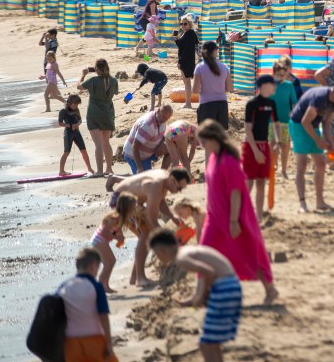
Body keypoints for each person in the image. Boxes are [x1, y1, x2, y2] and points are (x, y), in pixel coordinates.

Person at [196, 120, 278, 307]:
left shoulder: (229, 161)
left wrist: (234, 221)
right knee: (206, 252)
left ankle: (270, 289)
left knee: (248, 252)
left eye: (203, 142)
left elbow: (236, 193)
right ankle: (201, 295)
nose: (202, 146)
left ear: (213, 139)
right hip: (214, 217)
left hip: (232, 217)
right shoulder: (213, 158)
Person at [148, 230, 244, 361]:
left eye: (157, 253)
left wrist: (202, 297)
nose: (158, 257)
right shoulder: (187, 251)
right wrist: (195, 298)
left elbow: (208, 272)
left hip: (224, 288)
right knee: (211, 341)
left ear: (162, 249)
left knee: (206, 342)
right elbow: (203, 275)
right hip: (231, 284)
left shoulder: (181, 258)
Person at [108, 167, 191, 287]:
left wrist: (171, 216)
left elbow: (160, 201)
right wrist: (168, 240)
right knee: (146, 234)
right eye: (179, 188)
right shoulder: (156, 186)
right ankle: (140, 279)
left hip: (133, 202)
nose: (179, 191)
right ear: (172, 179)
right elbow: (152, 219)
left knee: (145, 235)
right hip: (121, 201)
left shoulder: (165, 179)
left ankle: (134, 277)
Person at [290, 83, 334, 212]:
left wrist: (329, 143)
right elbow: (305, 121)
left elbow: (327, 122)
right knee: (302, 165)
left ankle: (320, 202)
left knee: (321, 164)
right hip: (298, 125)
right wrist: (318, 140)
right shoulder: (319, 97)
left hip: (312, 126)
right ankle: (303, 204)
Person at [57, 248, 117, 362]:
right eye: (98, 268)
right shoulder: (96, 287)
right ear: (93, 266)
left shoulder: (64, 286)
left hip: (70, 343)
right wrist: (109, 343)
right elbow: (103, 316)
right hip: (93, 339)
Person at [243, 75, 278, 217]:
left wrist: (275, 143)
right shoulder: (252, 103)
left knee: (262, 182)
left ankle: (258, 215)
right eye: (272, 84)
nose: (275, 87)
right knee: (249, 181)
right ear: (264, 86)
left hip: (265, 144)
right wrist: (255, 150)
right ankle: (241, 213)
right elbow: (247, 129)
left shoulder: (272, 103)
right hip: (251, 145)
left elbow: (276, 124)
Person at [90, 193, 136, 294]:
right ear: (126, 208)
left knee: (111, 261)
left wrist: (120, 237)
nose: (134, 209)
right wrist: (115, 238)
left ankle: (105, 285)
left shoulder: (120, 218)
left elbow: (117, 230)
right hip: (99, 240)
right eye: (133, 207)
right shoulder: (115, 217)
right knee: (108, 264)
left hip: (102, 240)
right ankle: (100, 287)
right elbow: (104, 232)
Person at [80, 59, 119, 177]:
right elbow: (116, 92)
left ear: (96, 69)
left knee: (98, 144)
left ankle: (100, 171)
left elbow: (79, 87)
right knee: (106, 143)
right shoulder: (113, 80)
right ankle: (109, 169)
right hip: (108, 112)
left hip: (94, 113)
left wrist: (83, 74)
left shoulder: (93, 80)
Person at [122, 105, 173, 174]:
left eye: (167, 118)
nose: (164, 120)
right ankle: (114, 179)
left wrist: (162, 143)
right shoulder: (147, 125)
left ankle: (162, 174)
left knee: (170, 148)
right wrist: (140, 167)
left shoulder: (161, 120)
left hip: (149, 152)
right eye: (163, 117)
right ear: (158, 111)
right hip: (134, 154)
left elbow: (166, 134)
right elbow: (135, 146)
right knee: (143, 180)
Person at [193, 41, 232, 129]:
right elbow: (229, 88)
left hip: (207, 105)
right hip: (222, 105)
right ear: (215, 51)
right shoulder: (224, 67)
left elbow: (195, 90)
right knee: (220, 138)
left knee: (206, 137)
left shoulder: (199, 67)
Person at [270, 59, 298, 179]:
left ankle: (284, 169)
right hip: (271, 120)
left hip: (285, 120)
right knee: (273, 144)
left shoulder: (289, 85)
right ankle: (273, 166)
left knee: (285, 145)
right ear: (274, 73)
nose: (281, 77)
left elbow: (294, 103)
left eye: (283, 75)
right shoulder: (269, 84)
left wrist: (293, 114)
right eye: (278, 75)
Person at [58, 94, 93, 176]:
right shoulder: (63, 111)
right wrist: (70, 126)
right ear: (69, 103)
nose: (76, 106)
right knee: (67, 151)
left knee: (83, 150)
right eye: (75, 104)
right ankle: (61, 171)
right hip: (68, 133)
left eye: (77, 104)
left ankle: (90, 168)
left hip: (77, 132)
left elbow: (80, 120)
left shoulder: (77, 109)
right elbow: (60, 123)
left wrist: (77, 124)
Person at [173, 14, 199, 110]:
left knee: (187, 82)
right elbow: (182, 46)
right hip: (186, 60)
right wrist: (176, 40)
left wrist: (180, 61)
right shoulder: (186, 33)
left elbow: (187, 50)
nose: (183, 25)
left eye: (185, 24)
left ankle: (188, 103)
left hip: (186, 60)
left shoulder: (190, 34)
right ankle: (187, 103)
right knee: (186, 82)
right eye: (181, 24)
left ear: (190, 24)